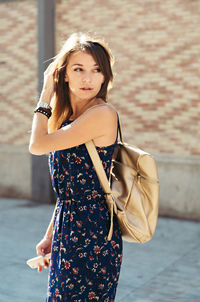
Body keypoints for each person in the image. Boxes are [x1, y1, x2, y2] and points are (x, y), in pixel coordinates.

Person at [29, 32, 123, 301]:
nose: (88, 78)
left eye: (96, 70)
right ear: (65, 74)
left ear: (105, 77)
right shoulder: (70, 118)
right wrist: (50, 235)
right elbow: (70, 191)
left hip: (93, 235)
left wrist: (45, 92)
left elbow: (37, 145)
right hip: (68, 228)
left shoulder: (102, 114)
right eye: (78, 69)